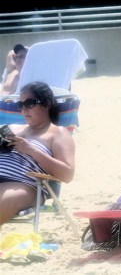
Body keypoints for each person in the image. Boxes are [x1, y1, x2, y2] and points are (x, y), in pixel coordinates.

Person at [0, 81, 75, 226]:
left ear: (46, 103)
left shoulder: (58, 133)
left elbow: (68, 174)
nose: (23, 109)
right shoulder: (11, 127)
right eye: (20, 105)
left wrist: (31, 150)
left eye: (29, 103)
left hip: (24, 185)